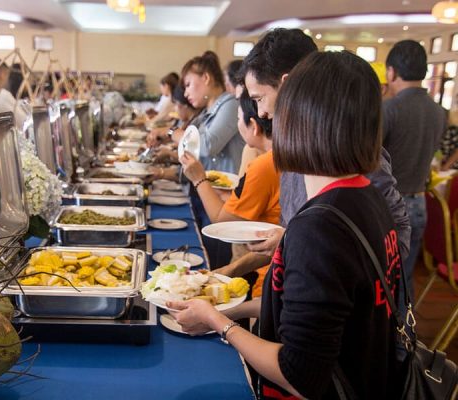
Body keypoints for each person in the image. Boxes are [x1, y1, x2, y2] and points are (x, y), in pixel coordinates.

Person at [170, 50, 402, 400]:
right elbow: (311, 316)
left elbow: (300, 374)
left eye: (277, 110)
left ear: (303, 121)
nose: (265, 116)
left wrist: (221, 324)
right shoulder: (366, 196)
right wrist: (219, 309)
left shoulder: (320, 227)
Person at [237, 28, 410, 267]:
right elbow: (298, 228)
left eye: (259, 99)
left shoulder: (352, 152)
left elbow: (395, 237)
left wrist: (295, 241)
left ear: (289, 86)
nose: (260, 113)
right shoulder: (294, 148)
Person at [383, 40, 446, 302]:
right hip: (419, 201)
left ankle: (386, 339)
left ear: (391, 72)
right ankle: (405, 335)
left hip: (388, 204)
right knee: (405, 277)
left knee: (382, 280)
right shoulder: (439, 112)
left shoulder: (389, 108)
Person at [180, 88, 278, 225]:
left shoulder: (263, 165)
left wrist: (198, 179)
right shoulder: (277, 156)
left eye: (238, 119)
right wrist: (222, 195)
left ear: (254, 126)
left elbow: (223, 220)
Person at [180, 51, 245, 174]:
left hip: (228, 189)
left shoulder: (231, 104)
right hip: (210, 188)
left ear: (206, 78)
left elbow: (208, 146)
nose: (185, 93)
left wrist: (175, 134)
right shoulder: (205, 113)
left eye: (188, 85)